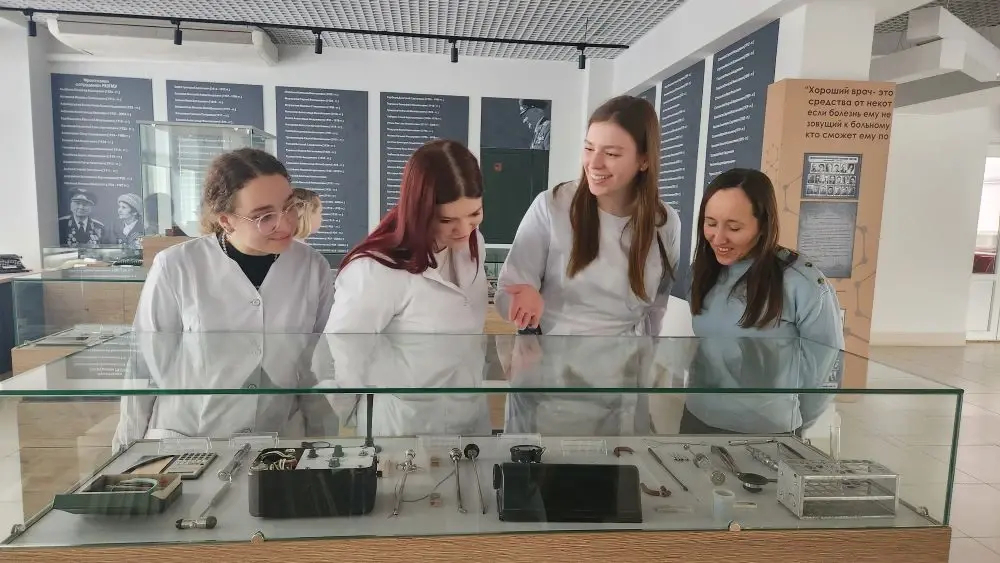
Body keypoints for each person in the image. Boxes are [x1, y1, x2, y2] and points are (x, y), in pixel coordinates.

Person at [497, 95, 681, 337]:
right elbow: (507, 294)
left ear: (644, 160)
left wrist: (651, 354)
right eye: (589, 148)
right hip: (553, 354)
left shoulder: (665, 222)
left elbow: (657, 307)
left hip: (626, 357)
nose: (594, 163)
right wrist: (521, 303)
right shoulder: (552, 205)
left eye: (611, 154)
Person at [680, 167, 844, 435]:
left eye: (734, 227)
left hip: (766, 431)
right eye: (710, 223)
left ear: (763, 225)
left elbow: (824, 367)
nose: (718, 238)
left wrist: (796, 425)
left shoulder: (801, 282)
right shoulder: (701, 272)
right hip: (697, 420)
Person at [134, 148, 335, 333]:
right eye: (264, 217)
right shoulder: (175, 266)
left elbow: (327, 346)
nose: (285, 225)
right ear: (226, 221)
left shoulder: (312, 265)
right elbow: (151, 351)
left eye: (290, 207)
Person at [323, 138, 487, 334]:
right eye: (446, 220)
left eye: (474, 214)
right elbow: (340, 350)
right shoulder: (372, 272)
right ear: (419, 211)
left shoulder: (473, 243)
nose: (464, 230)